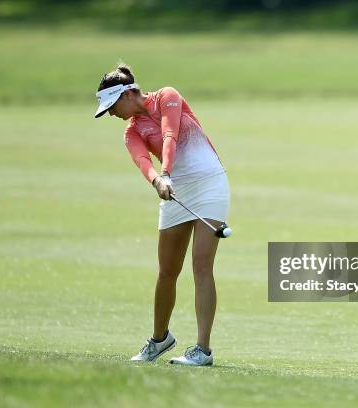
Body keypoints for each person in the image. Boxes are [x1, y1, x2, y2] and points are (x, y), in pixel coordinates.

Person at [94, 63, 230, 366]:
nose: (111, 114)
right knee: (167, 272)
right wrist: (157, 180)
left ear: (128, 94)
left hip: (209, 183)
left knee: (201, 266)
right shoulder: (131, 133)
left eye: (112, 106)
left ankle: (202, 351)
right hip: (174, 192)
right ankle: (160, 339)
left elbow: (169, 134)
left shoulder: (168, 96)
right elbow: (142, 161)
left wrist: (166, 172)